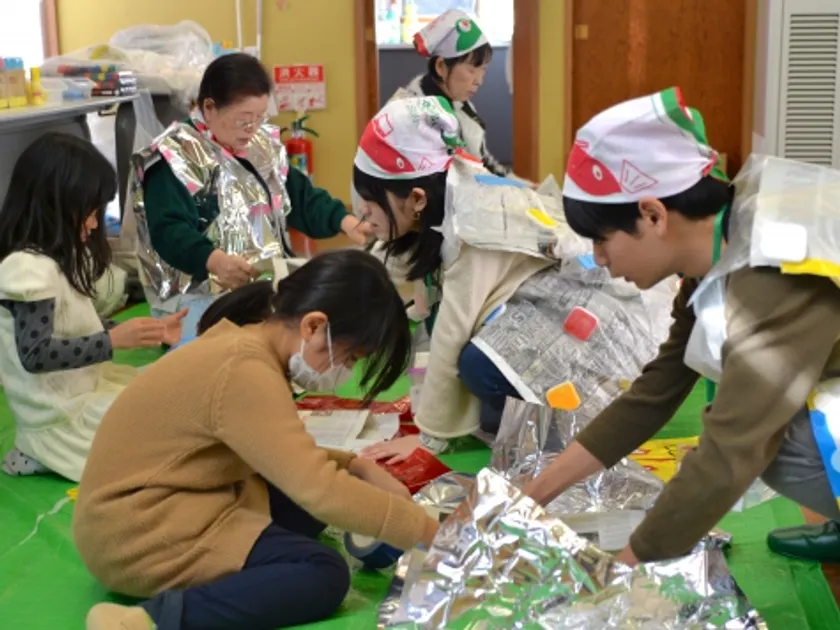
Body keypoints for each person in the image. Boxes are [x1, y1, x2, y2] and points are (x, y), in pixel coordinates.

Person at [520, 87, 840, 566]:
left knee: (781, 437)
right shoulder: (724, 237)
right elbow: (657, 390)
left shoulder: (774, 267)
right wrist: (530, 497)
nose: (599, 259)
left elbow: (730, 452)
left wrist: (623, 571)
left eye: (602, 240)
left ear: (653, 215)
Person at [74, 248, 439, 630]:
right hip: (135, 535)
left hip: (158, 503)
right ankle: (146, 620)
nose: (345, 371)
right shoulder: (245, 371)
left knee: (305, 508)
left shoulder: (248, 343)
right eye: (349, 358)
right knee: (323, 573)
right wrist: (431, 534)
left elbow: (283, 454)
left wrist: (357, 467)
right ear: (313, 326)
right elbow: (320, 489)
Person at [352, 96, 671, 463]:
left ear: (417, 199)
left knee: (478, 364)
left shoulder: (472, 228)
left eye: (371, 200)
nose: (363, 211)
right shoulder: (446, 185)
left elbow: (451, 334)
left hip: (603, 314)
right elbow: (392, 263)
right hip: (547, 294)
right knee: (483, 399)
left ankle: (580, 428)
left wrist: (429, 439)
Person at [125, 53, 371, 342]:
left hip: (261, 287)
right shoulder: (174, 155)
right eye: (244, 120)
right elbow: (169, 230)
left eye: (259, 117)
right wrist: (213, 260)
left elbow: (299, 196)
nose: (252, 129)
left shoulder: (260, 144)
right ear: (209, 108)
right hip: (198, 296)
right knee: (235, 353)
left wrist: (345, 221)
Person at [0, 133, 185, 482]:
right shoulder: (26, 268)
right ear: (54, 205)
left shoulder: (54, 258)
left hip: (84, 389)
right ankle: (37, 451)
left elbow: (71, 324)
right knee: (157, 437)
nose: (95, 223)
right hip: (58, 414)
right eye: (89, 211)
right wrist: (113, 341)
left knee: (161, 393)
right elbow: (35, 354)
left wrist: (145, 331)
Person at [397, 9, 519, 180]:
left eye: (483, 70)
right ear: (441, 67)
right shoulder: (413, 114)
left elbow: (483, 161)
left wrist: (520, 185)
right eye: (471, 70)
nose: (479, 81)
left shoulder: (460, 103)